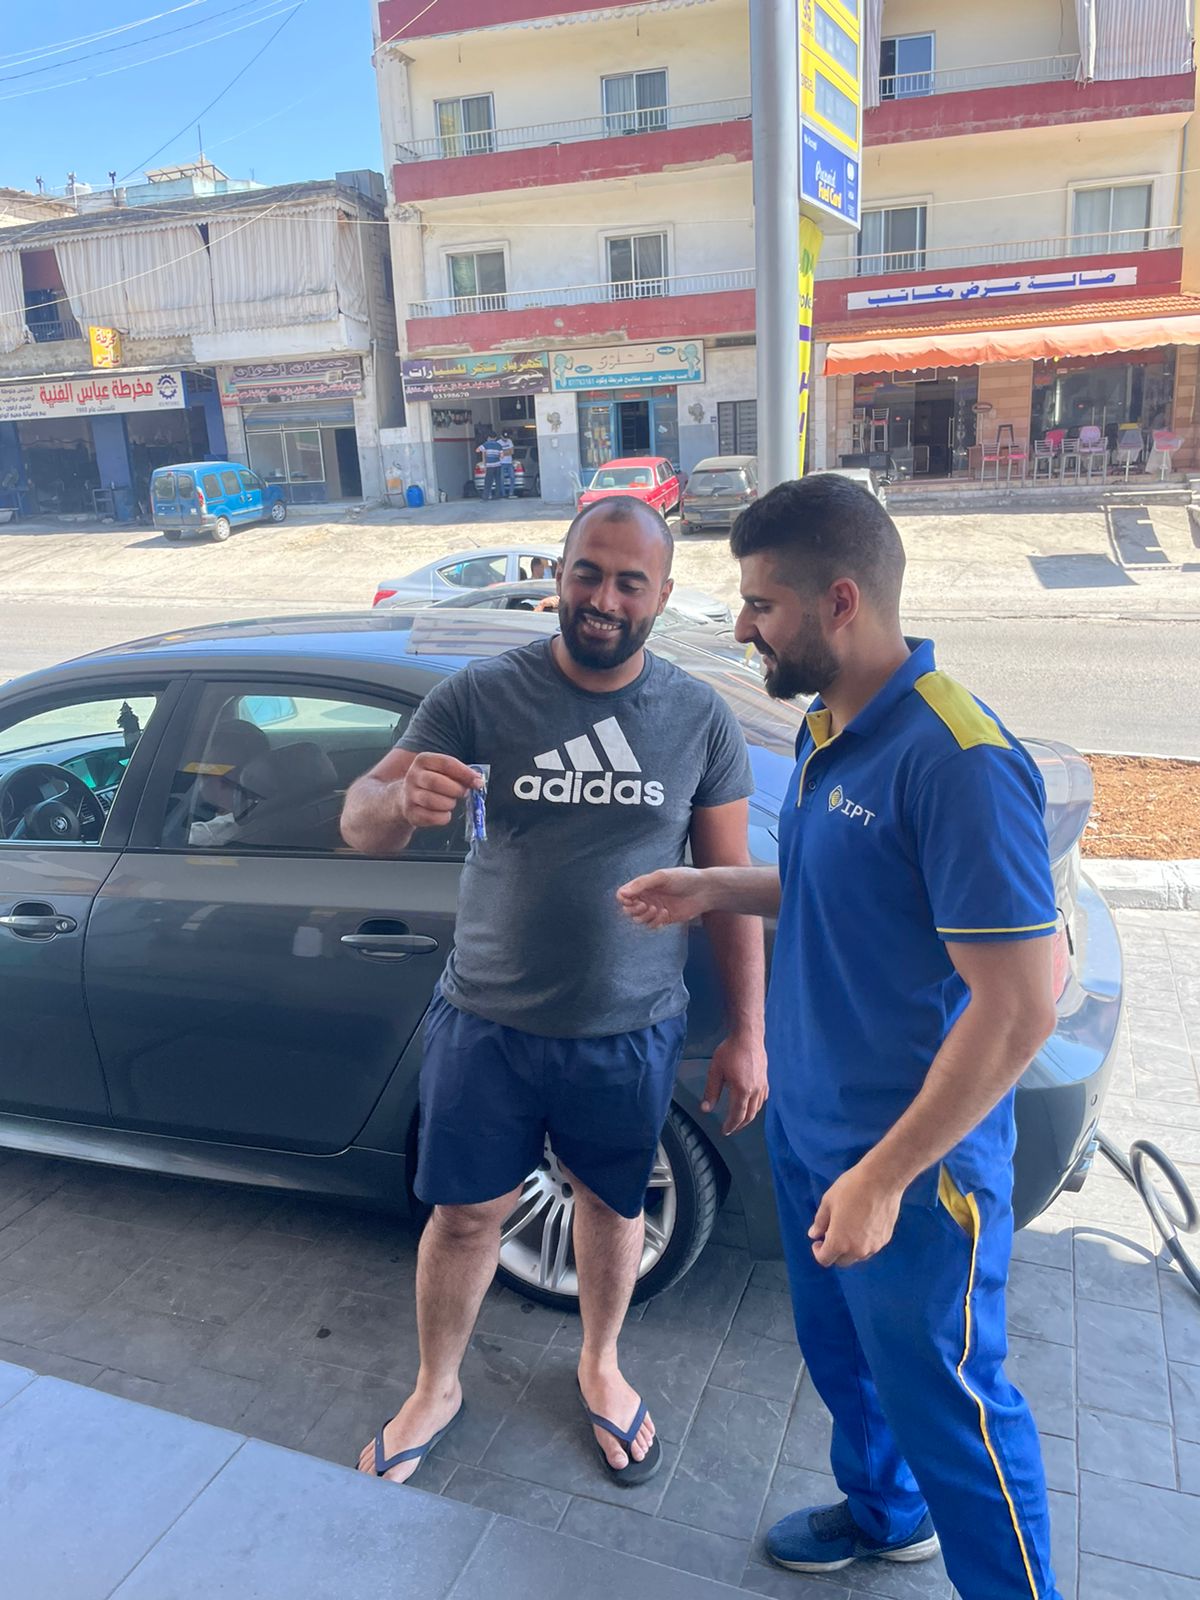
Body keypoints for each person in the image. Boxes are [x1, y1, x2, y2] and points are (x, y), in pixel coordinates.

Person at [618, 474, 1063, 1600]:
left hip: (912, 1168)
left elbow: (1021, 1004)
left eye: (762, 603)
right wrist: (716, 886)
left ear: (842, 601)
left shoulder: (960, 761)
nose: (742, 627)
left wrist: (883, 1177)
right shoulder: (831, 725)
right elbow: (848, 887)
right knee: (848, 1365)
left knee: (954, 1409)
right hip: (815, 1134)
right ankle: (885, 1517)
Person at [341, 494, 767, 1490]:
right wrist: (398, 800)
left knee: (611, 1211)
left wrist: (747, 1030)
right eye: (588, 572)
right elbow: (360, 819)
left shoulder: (698, 717)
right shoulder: (481, 696)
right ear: (558, 577)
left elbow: (729, 886)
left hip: (628, 1030)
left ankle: (600, 1363)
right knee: (462, 1218)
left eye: (629, 582)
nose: (604, 598)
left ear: (662, 595)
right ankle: (436, 1386)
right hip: (485, 1022)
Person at [476, 432, 503, 500]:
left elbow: (477, 450)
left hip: (490, 466)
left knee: (488, 481)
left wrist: (484, 450)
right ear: (496, 438)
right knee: (498, 481)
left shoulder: (486, 444)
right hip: (498, 465)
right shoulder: (499, 445)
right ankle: (497, 496)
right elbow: (502, 456)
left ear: (489, 437)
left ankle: (485, 497)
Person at [499, 432, 515, 498]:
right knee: (501, 479)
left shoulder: (509, 441)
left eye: (506, 438)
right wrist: (508, 451)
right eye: (504, 438)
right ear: (501, 436)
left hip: (509, 463)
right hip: (501, 463)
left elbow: (512, 452)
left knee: (512, 477)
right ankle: (503, 494)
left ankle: (511, 492)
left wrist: (503, 452)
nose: (505, 439)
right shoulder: (498, 442)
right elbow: (499, 454)